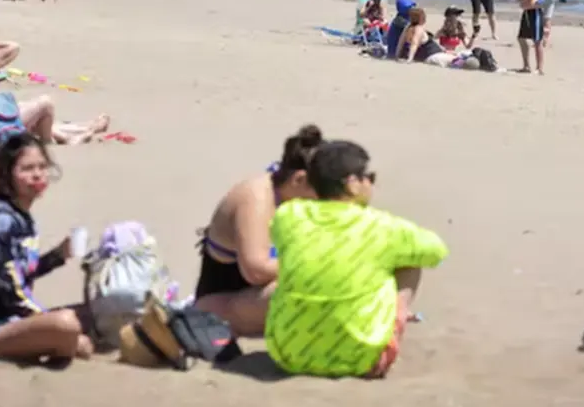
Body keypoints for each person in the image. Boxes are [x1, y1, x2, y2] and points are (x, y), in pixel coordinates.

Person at [265, 140, 448, 378]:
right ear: (351, 183)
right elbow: (436, 251)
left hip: (288, 355)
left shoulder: (288, 216)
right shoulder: (383, 226)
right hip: (363, 359)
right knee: (409, 259)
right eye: (368, 176)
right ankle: (397, 319)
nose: (371, 183)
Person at [0, 134, 93, 363]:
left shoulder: (19, 215)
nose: (37, 174)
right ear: (7, 175)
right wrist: (51, 322)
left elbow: (19, 272)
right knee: (68, 325)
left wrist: (59, 255)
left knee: (93, 312)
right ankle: (60, 346)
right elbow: (10, 292)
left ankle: (59, 340)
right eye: (27, 169)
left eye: (42, 167)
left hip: (10, 319)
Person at [192, 125, 321, 336]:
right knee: (302, 288)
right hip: (223, 303)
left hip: (263, 295)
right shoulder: (257, 197)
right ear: (298, 180)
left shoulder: (297, 199)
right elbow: (256, 271)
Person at [516, 0, 546, 75]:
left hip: (534, 12)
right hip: (527, 11)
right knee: (521, 38)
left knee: (537, 40)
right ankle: (526, 65)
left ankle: (539, 68)